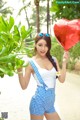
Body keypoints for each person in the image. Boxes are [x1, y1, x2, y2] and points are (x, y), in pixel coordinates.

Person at [17, 33, 69, 120]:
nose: (43, 48)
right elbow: (24, 86)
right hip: (38, 103)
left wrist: (64, 62)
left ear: (49, 47)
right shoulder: (31, 63)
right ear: (35, 45)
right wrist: (19, 71)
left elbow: (61, 79)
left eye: (46, 45)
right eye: (40, 45)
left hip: (50, 105)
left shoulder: (53, 60)